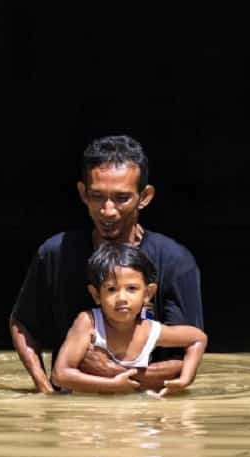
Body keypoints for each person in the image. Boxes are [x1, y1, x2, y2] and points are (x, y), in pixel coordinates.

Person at [10, 134, 203, 394]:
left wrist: (109, 372)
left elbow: (185, 360)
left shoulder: (176, 262)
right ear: (83, 194)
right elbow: (21, 323)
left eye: (122, 198)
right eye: (98, 196)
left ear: (145, 197)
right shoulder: (55, 253)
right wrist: (45, 389)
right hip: (74, 412)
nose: (108, 210)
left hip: (149, 412)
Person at [52, 243, 206, 396]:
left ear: (148, 294)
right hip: (88, 413)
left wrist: (186, 378)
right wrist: (112, 385)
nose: (122, 298)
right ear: (96, 295)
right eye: (111, 289)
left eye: (132, 288)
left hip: (134, 415)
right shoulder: (89, 323)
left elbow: (198, 339)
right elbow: (60, 376)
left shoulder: (149, 330)